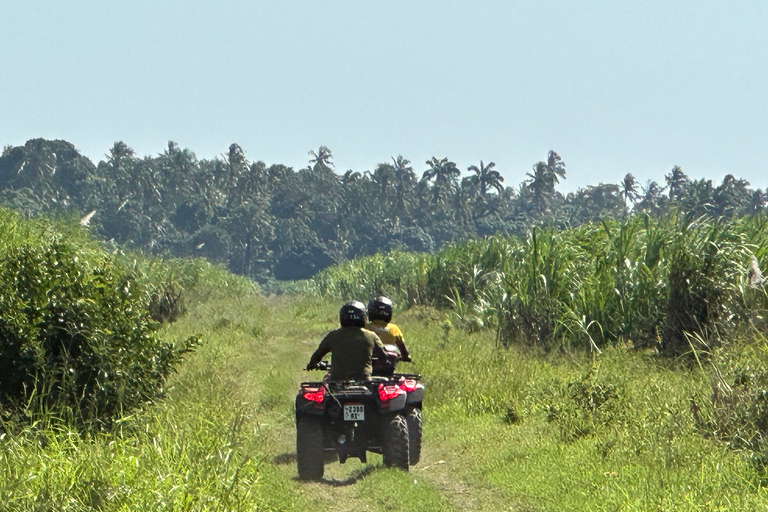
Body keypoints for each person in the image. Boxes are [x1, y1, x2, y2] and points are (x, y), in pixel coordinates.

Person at [306, 301, 387, 381]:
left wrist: (312, 364)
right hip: (363, 379)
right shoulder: (371, 336)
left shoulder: (333, 335)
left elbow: (317, 355)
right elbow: (384, 356)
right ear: (364, 317)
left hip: (337, 380)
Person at [366, 296, 411, 363]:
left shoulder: (365, 327)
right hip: (389, 363)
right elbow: (403, 349)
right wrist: (406, 357)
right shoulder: (394, 328)